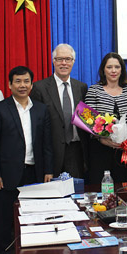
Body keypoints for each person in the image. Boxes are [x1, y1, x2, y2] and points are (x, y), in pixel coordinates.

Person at [0, 66, 53, 254]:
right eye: (18, 81)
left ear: (32, 84)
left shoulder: (41, 109)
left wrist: (48, 170)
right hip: (6, 175)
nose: (22, 85)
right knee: (4, 222)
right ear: (9, 84)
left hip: (34, 174)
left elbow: (47, 144)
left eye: (26, 81)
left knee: (33, 220)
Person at [31, 44, 88, 178]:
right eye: (59, 59)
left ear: (73, 61)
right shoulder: (39, 88)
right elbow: (36, 126)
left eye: (68, 59)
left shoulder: (81, 87)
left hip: (76, 151)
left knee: (75, 189)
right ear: (53, 61)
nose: (64, 63)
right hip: (51, 152)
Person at [84, 52, 127, 184]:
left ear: (121, 70)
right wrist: (102, 139)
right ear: (103, 70)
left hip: (122, 150)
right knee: (99, 186)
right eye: (109, 67)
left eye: (117, 67)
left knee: (122, 186)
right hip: (99, 149)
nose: (113, 70)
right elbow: (88, 121)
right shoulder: (94, 90)